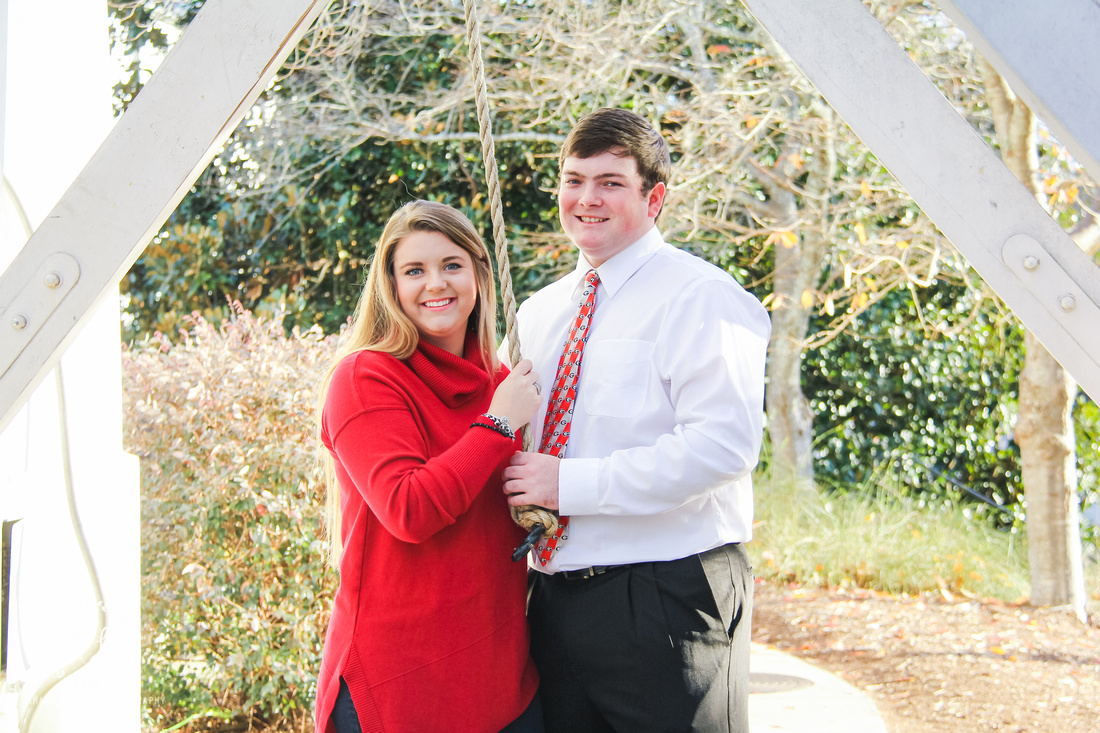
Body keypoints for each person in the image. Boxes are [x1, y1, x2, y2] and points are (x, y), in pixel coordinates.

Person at [502, 108, 771, 731]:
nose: (586, 199)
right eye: (573, 180)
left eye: (610, 183)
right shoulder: (539, 314)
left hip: (668, 596)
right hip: (554, 598)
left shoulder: (703, 296)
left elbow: (723, 446)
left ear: (655, 198)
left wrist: (568, 485)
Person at [314, 200, 544, 733]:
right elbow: (409, 509)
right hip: (401, 684)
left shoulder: (501, 384)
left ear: (479, 277)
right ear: (391, 286)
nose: (434, 283)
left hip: (503, 680)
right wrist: (498, 425)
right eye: (414, 270)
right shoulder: (365, 377)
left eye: (452, 265)